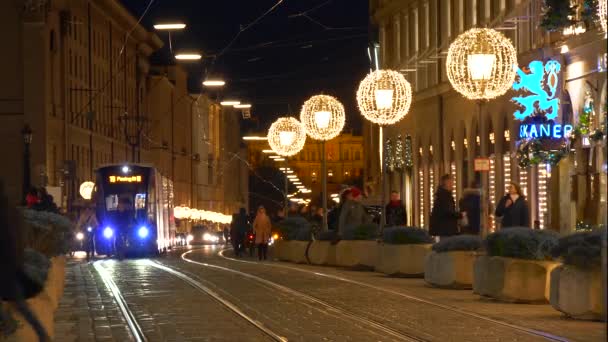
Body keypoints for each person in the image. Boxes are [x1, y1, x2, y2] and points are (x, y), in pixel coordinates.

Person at [429, 175, 461, 240]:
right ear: (446, 183)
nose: (453, 184)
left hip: (445, 229)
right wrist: (460, 215)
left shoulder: (443, 194)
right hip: (446, 229)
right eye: (451, 182)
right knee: (446, 246)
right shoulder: (444, 196)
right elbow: (447, 211)